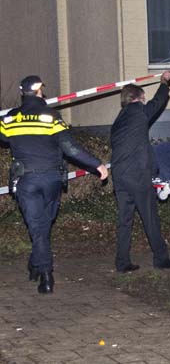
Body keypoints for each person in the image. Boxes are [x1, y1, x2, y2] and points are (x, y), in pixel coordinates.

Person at [0, 75, 109, 294]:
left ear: (23, 93)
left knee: (38, 227)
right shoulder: (51, 116)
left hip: (26, 181)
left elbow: (3, 139)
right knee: (43, 226)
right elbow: (70, 148)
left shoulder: (11, 119)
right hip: (52, 181)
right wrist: (96, 164)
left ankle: (41, 268)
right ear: (40, 91)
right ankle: (43, 270)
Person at [110, 71, 170, 273]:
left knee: (124, 219)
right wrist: (165, 82)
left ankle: (122, 262)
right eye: (143, 98)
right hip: (137, 174)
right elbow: (157, 102)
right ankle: (161, 258)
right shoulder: (137, 112)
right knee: (150, 217)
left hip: (120, 174)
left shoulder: (119, 120)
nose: (144, 101)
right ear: (137, 98)